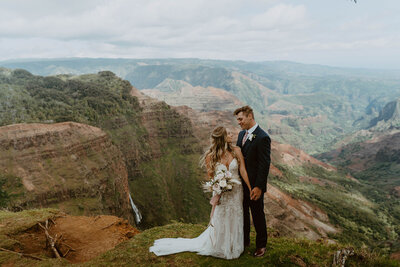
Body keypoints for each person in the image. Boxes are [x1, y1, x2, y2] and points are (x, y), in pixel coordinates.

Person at [149, 126, 252, 259]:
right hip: (221, 192)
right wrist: (219, 186)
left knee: (235, 215)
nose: (232, 135)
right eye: (229, 133)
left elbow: (243, 170)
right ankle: (220, 246)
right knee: (221, 216)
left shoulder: (237, 151)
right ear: (223, 138)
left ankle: (234, 246)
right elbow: (210, 176)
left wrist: (249, 188)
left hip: (237, 191)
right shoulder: (211, 156)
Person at [234, 105, 271, 257]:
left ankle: (261, 245)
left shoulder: (263, 137)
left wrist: (258, 187)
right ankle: (244, 241)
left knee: (257, 214)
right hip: (240, 184)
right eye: (237, 120)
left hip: (254, 185)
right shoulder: (241, 134)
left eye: (241, 119)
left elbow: (264, 164)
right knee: (242, 213)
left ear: (250, 116)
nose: (239, 122)